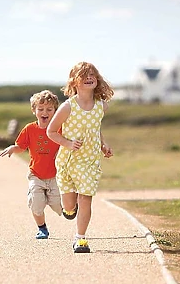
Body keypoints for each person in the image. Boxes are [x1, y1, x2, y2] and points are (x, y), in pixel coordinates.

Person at [47, 61, 114, 253]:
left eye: (92, 74)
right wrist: (67, 143)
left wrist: (103, 144)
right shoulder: (68, 107)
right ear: (74, 82)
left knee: (86, 198)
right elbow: (51, 132)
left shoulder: (102, 106)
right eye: (84, 75)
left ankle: (80, 238)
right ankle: (69, 209)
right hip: (68, 161)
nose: (89, 78)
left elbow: (95, 128)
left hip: (90, 161)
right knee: (69, 204)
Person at [0, 90, 63, 240]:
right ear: (34, 111)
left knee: (57, 206)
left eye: (49, 109)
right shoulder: (29, 129)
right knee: (36, 203)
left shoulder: (60, 128)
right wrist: (13, 148)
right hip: (36, 175)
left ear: (55, 111)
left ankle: (73, 206)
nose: (44, 112)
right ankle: (42, 228)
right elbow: (21, 146)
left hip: (56, 175)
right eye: (40, 109)